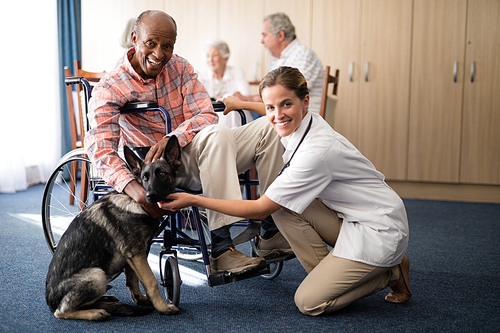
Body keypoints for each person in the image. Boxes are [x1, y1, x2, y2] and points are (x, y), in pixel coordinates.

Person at [159, 66, 412, 316]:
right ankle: (336, 276)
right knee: (284, 207)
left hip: (379, 228)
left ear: (305, 102)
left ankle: (390, 271)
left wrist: (193, 199)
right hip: (355, 216)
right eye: (271, 107)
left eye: (286, 104)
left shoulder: (314, 153)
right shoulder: (309, 120)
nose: (277, 114)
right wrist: (241, 104)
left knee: (309, 302)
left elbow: (260, 210)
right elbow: (278, 114)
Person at [84, 10, 288, 275]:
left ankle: (271, 232)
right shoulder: (110, 86)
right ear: (135, 38)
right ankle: (222, 249)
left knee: (270, 127)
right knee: (218, 134)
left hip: (194, 149)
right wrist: (134, 189)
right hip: (164, 170)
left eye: (167, 46)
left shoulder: (180, 67)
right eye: (151, 43)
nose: (159, 53)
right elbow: (101, 150)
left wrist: (174, 137)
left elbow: (205, 112)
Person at [222, 12, 324, 115]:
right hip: (281, 113)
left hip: (298, 117)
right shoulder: (277, 60)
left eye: (264, 35)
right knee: (236, 113)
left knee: (236, 114)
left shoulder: (303, 55)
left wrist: (246, 100)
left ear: (280, 35)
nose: (262, 41)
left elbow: (286, 93)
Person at [197, 39, 255, 128]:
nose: (210, 59)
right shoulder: (201, 76)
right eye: (208, 56)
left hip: (237, 118)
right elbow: (198, 100)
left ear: (226, 58)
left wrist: (225, 98)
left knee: (230, 103)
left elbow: (244, 96)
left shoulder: (237, 72)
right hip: (213, 119)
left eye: (215, 55)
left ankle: (233, 137)